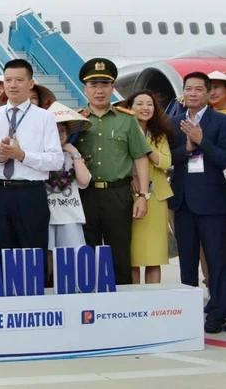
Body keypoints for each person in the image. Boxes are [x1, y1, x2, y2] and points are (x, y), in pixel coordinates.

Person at [75, 58, 151, 285]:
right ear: (85, 89)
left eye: (104, 84)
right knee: (86, 252)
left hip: (117, 194)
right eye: (93, 85)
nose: (99, 91)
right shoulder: (75, 120)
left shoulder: (127, 120)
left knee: (119, 253)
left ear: (112, 87)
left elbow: (140, 157)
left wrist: (143, 195)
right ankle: (90, 301)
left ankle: (121, 303)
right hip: (84, 195)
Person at [0, 59, 63, 255]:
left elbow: (56, 160)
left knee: (33, 253)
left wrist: (22, 155)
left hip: (31, 193)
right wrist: (0, 158)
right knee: (1, 251)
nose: (13, 85)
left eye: (19, 80)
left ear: (31, 83)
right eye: (8, 80)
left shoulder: (45, 117)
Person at [168, 72, 226, 333]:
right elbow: (167, 158)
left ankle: (218, 312)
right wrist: (187, 149)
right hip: (182, 202)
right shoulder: (173, 122)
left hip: (213, 203)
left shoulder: (221, 122)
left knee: (217, 260)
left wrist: (202, 140)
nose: (192, 93)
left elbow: (224, 158)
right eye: (188, 89)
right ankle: (188, 312)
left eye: (198, 89)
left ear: (208, 93)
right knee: (187, 260)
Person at [123, 90, 174, 284]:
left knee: (154, 256)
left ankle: (154, 297)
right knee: (132, 257)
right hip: (130, 196)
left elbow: (166, 162)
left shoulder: (159, 135)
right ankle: (135, 298)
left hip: (156, 199)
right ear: (129, 108)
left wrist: (143, 145)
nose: (145, 108)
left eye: (149, 104)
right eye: (139, 103)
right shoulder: (122, 131)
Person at [45, 103, 91, 254]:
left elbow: (84, 181)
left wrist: (75, 153)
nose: (59, 134)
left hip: (70, 214)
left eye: (62, 131)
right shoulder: (41, 155)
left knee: (71, 256)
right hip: (47, 213)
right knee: (48, 255)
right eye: (55, 130)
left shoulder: (73, 155)